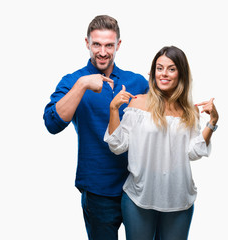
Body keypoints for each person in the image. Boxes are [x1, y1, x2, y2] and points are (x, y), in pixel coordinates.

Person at [43, 15, 149, 240]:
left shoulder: (137, 82)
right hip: (97, 190)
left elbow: (165, 120)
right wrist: (82, 85)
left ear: (118, 45)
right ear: (87, 43)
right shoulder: (74, 80)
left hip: (139, 187)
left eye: (109, 45)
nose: (103, 51)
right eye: (97, 44)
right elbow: (52, 123)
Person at [104, 46, 219, 240]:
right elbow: (118, 145)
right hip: (139, 198)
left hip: (179, 200)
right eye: (159, 68)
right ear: (153, 71)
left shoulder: (190, 111)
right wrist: (114, 109)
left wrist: (212, 123)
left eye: (171, 69)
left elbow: (194, 152)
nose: (164, 74)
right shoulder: (138, 103)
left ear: (180, 73)